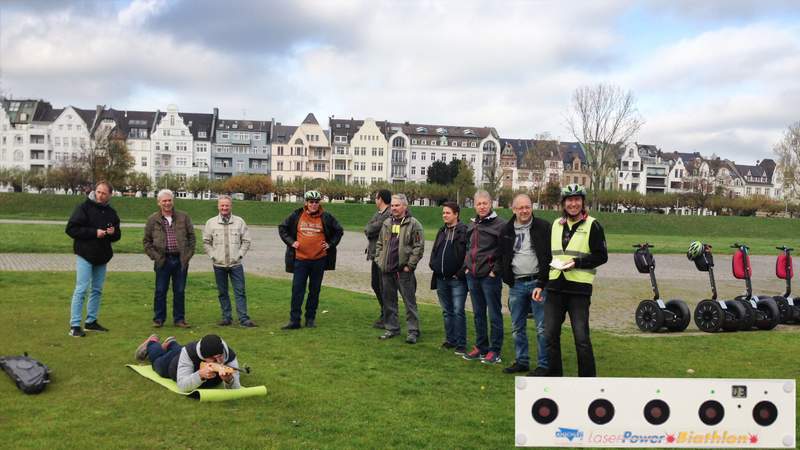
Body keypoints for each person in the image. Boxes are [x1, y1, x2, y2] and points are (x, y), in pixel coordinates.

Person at [544, 184, 608, 377]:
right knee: (550, 335)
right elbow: (549, 253)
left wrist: (577, 262)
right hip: (555, 286)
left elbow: (601, 256)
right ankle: (555, 377)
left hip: (578, 290)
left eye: (577, 200)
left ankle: (587, 380)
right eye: (569, 200)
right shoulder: (556, 225)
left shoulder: (593, 225)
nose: (573, 203)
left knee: (581, 338)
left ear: (582, 202)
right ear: (563, 203)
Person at [499, 193, 552, 375]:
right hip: (517, 284)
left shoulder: (543, 227)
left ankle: (544, 365)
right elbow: (502, 255)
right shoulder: (506, 230)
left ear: (532, 207)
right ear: (514, 209)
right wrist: (505, 275)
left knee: (541, 327)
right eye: (520, 207)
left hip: (537, 283)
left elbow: (548, 256)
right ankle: (522, 360)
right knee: (517, 327)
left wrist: (544, 281)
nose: (524, 211)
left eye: (527, 207)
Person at [278, 190, 344, 329]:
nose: (314, 204)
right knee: (297, 290)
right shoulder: (297, 215)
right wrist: (291, 242)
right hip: (300, 260)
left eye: (316, 202)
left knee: (314, 290)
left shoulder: (326, 217)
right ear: (306, 203)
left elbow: (339, 230)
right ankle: (294, 320)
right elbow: (282, 228)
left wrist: (330, 244)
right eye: (311, 202)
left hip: (319, 260)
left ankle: (310, 319)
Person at [65, 180, 121, 337]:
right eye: (98, 192)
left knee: (97, 290)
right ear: (94, 191)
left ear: (110, 195)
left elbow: (117, 235)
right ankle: (75, 325)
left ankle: (91, 321)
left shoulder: (111, 212)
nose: (100, 195)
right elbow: (71, 229)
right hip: (85, 253)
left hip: (102, 256)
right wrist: (94, 233)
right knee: (81, 289)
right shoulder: (83, 208)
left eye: (104, 193)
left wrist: (112, 233)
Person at [462, 190, 506, 365]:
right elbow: (468, 247)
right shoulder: (472, 224)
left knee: (494, 314)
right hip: (473, 275)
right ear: (474, 205)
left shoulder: (500, 225)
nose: (482, 206)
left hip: (490, 277)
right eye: (479, 203)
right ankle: (481, 347)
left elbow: (504, 252)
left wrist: (495, 270)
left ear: (491, 204)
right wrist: (467, 266)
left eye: (485, 203)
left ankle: (495, 350)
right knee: (478, 314)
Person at [374, 194, 425, 344]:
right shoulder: (387, 223)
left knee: (409, 303)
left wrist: (410, 266)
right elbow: (379, 244)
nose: (394, 208)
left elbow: (418, 247)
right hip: (387, 270)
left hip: (404, 272)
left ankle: (413, 331)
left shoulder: (414, 224)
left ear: (405, 206)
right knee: (389, 301)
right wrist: (379, 260)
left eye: (397, 205)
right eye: (393, 205)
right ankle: (392, 328)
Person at [143, 189, 196, 328]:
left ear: (173, 201)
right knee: (160, 290)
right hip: (163, 260)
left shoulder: (184, 217)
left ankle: (179, 319)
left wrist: (187, 255)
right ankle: (159, 319)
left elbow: (192, 238)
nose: (167, 203)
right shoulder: (152, 219)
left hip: (180, 260)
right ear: (159, 202)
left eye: (169, 200)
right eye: (164, 201)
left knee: (179, 290)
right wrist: (155, 257)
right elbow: (146, 242)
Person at [203, 195, 257, 328]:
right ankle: (226, 317)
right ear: (218, 206)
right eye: (222, 205)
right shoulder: (211, 223)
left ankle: (243, 318)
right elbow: (206, 242)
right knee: (222, 292)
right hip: (219, 264)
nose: (224, 208)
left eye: (227, 205)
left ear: (231, 206)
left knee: (240, 291)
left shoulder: (239, 222)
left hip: (235, 265)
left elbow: (246, 240)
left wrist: (240, 255)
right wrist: (213, 255)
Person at [134, 333, 241, 392]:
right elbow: (182, 385)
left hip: (181, 351)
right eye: (213, 359)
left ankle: (171, 343)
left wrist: (229, 380)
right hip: (172, 365)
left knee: (178, 349)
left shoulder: (229, 356)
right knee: (158, 364)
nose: (219, 362)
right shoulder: (189, 353)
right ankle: (152, 342)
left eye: (220, 357)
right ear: (203, 357)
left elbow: (236, 389)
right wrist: (200, 375)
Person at [429, 201, 469, 354]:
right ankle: (450, 340)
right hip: (441, 278)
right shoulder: (442, 231)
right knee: (446, 311)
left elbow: (467, 255)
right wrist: (433, 265)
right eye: (443, 213)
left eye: (448, 213)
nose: (445, 215)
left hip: (457, 280)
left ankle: (461, 343)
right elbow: (434, 250)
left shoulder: (464, 231)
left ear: (456, 214)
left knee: (458, 310)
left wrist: (459, 273)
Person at [364, 189, 392, 329]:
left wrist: (371, 229)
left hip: (383, 255)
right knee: (375, 284)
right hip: (374, 254)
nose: (375, 200)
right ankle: (385, 311)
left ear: (380, 199)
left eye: (376, 198)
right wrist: (370, 229)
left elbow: (372, 229)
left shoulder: (388, 214)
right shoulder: (378, 214)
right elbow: (368, 228)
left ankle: (388, 315)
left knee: (383, 286)